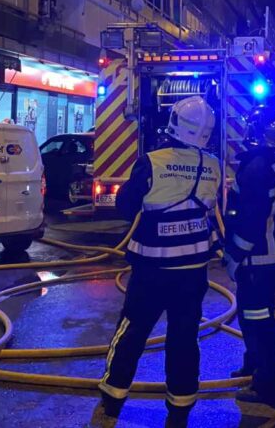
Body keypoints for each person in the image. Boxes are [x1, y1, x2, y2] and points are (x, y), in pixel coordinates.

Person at [92, 96, 221, 428]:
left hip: (152, 271)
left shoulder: (151, 161)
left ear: (175, 122)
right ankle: (180, 409)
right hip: (193, 273)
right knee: (184, 337)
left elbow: (126, 207)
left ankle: (113, 397)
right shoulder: (214, 165)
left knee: (132, 332)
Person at [223, 105, 275, 410]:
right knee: (252, 318)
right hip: (270, 255)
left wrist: (235, 254)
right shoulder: (271, 162)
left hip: (256, 259)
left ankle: (268, 385)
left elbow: (251, 218)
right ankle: (254, 366)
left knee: (259, 321)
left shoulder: (255, 168)